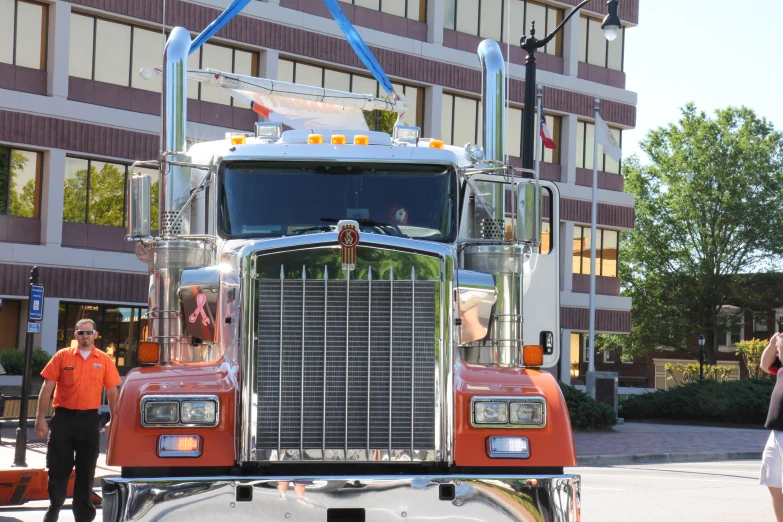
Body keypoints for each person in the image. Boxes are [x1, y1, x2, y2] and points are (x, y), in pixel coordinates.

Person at [35, 318, 121, 522]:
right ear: (75, 335)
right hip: (63, 419)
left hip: (89, 421)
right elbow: (47, 388)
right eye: (81, 333)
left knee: (86, 470)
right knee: (58, 468)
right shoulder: (62, 356)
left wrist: (114, 421)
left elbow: (113, 393)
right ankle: (54, 507)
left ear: (95, 335)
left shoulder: (104, 360)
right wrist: (40, 418)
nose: (85, 336)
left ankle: (83, 517)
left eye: (89, 332)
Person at [760, 332, 783, 521]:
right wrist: (772, 345)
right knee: (774, 484)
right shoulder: (781, 368)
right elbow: (765, 366)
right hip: (776, 433)